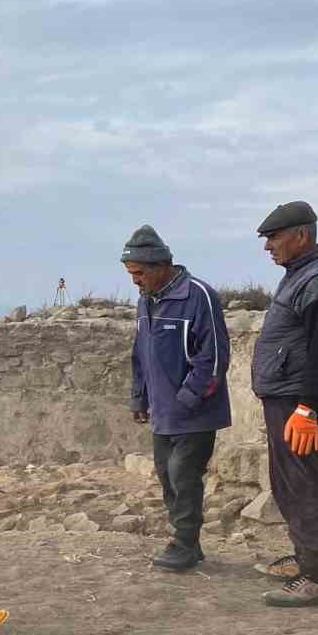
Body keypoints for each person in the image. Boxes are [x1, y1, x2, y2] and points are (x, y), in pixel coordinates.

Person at [250, 201, 318, 607]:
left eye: (274, 237)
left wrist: (309, 407)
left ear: (301, 236)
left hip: (300, 401)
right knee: (288, 483)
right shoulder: (302, 276)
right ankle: (302, 558)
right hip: (286, 397)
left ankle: (314, 577)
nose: (268, 247)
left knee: (304, 484)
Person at [122, 225, 231, 571]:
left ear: (159, 266)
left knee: (183, 474)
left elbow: (213, 358)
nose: (135, 282)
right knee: (166, 475)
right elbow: (140, 353)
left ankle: (184, 543)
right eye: (131, 274)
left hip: (195, 411)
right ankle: (187, 543)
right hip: (162, 412)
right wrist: (139, 397)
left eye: (139, 274)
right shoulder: (145, 301)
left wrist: (187, 398)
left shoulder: (199, 295)